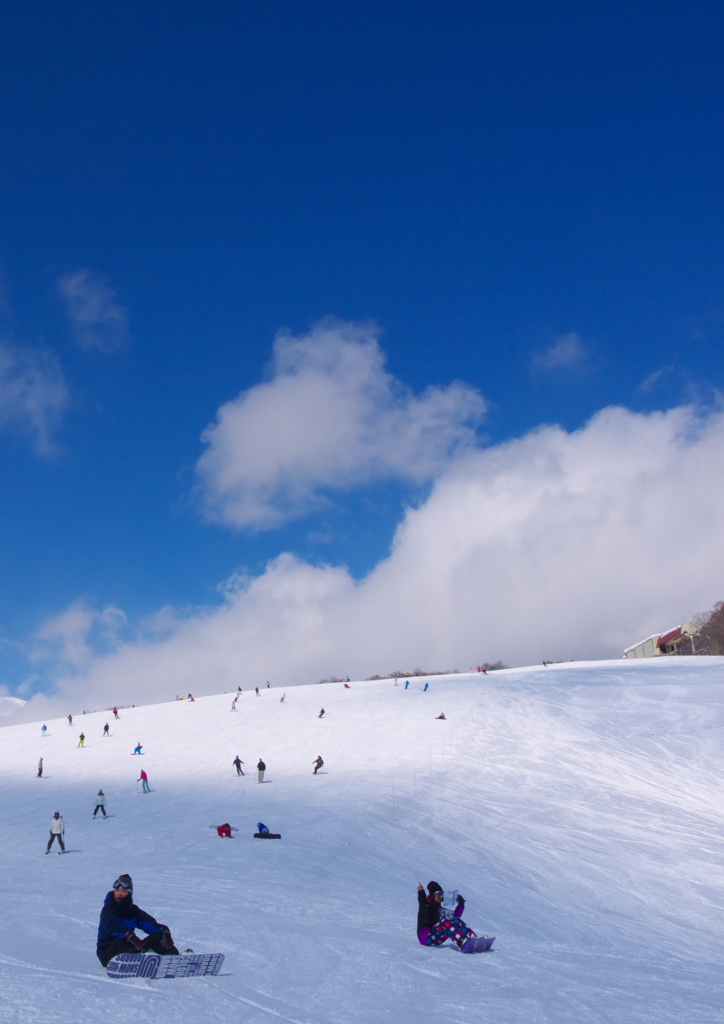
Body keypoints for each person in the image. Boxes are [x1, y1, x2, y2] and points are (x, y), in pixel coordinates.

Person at [96, 874, 179, 967]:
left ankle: (176, 959)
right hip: (108, 952)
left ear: (129, 893)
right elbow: (112, 926)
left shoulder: (133, 911)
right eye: (117, 890)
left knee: (159, 937)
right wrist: (128, 935)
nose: (119, 893)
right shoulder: (108, 909)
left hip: (128, 947)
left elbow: (150, 924)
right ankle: (141, 959)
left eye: (123, 891)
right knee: (120, 941)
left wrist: (164, 931)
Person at [416, 881, 476, 950]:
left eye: (442, 894)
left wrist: (461, 904)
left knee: (455, 920)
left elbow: (455, 916)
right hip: (425, 938)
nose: (440, 896)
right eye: (438, 894)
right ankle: (461, 942)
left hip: (436, 937)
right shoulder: (426, 906)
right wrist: (421, 892)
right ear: (433, 895)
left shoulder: (440, 910)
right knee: (444, 923)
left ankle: (472, 937)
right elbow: (422, 900)